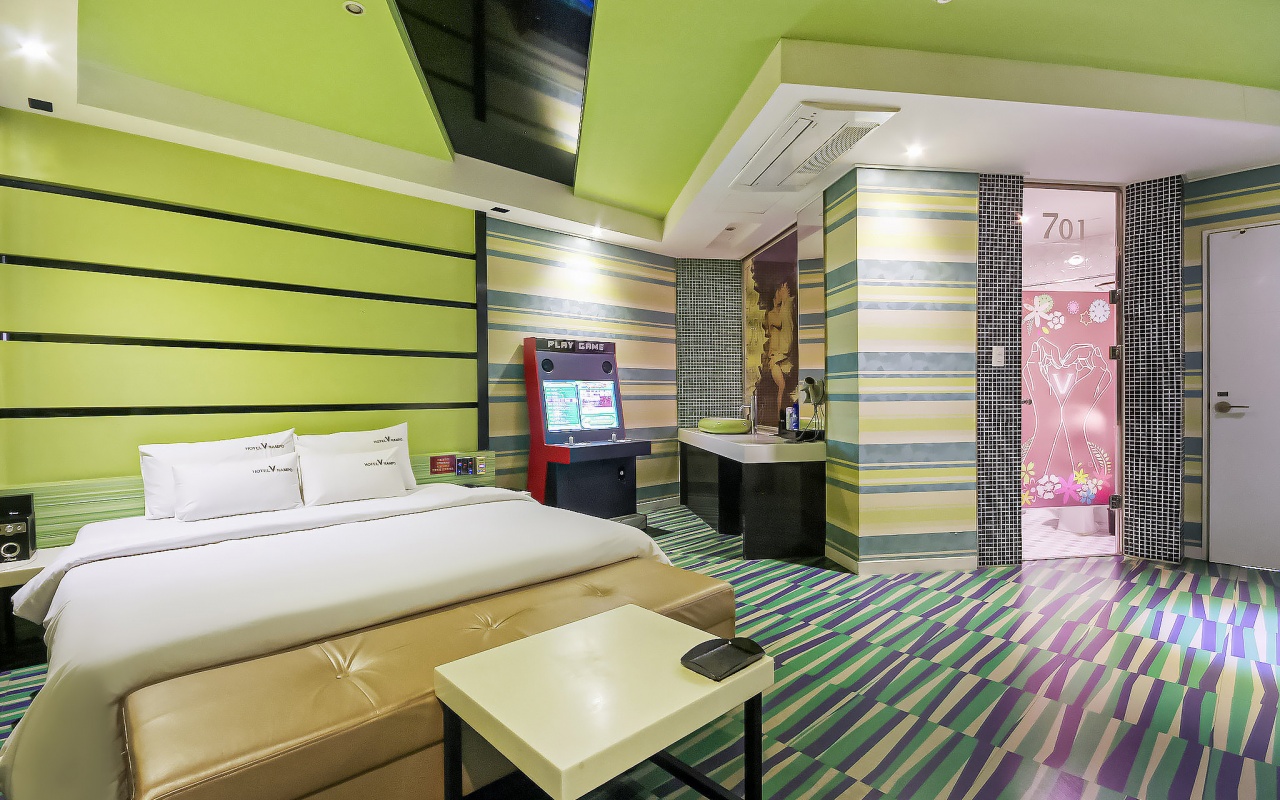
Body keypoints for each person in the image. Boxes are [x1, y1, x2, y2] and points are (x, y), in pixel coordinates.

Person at [764, 281, 796, 416]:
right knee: (782, 386)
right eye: (778, 292)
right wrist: (785, 302)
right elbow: (780, 322)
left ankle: (784, 416)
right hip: (775, 359)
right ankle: (780, 416)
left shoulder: (784, 311)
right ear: (773, 297)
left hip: (784, 357)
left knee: (786, 388)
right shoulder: (771, 314)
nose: (780, 294)